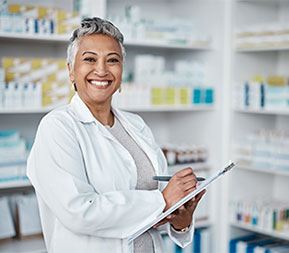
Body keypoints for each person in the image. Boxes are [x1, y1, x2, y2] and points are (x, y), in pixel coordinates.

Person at [27, 17, 206, 253]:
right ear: (71, 71)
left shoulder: (136, 125)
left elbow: (154, 212)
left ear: (121, 71)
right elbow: (80, 212)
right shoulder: (58, 127)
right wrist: (162, 201)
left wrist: (180, 218)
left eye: (112, 60)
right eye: (89, 59)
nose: (101, 70)